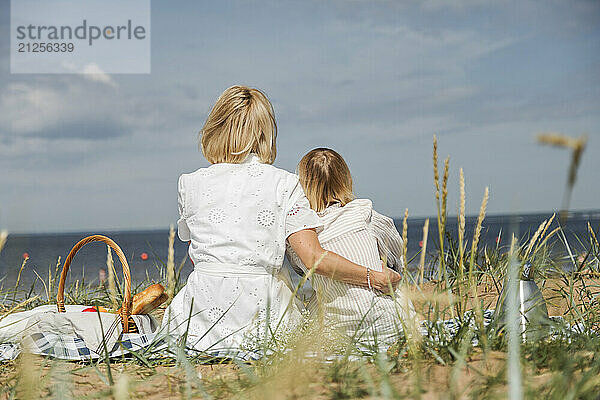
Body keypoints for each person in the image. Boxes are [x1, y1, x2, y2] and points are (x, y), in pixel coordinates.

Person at [161, 86, 400, 357]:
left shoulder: (189, 183)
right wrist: (374, 278)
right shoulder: (284, 184)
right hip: (259, 311)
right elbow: (313, 258)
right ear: (265, 133)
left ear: (216, 127)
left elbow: (203, 252)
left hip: (198, 310)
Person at [287, 148, 417, 350]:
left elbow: (301, 269)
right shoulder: (364, 213)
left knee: (317, 299)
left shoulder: (301, 235)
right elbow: (394, 252)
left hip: (343, 335)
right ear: (345, 178)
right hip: (394, 325)